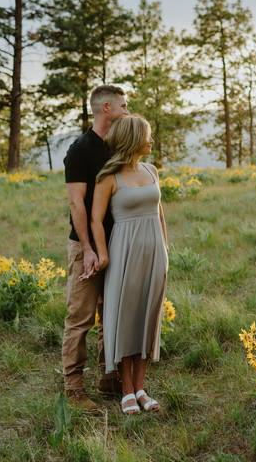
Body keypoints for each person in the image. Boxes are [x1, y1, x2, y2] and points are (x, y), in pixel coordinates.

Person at [90, 115, 169, 415]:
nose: (151, 140)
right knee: (126, 317)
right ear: (133, 139)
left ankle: (141, 387)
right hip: (124, 251)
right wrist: (102, 254)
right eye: (147, 135)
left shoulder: (152, 170)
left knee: (149, 317)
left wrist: (165, 249)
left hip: (154, 252)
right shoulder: (108, 177)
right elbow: (96, 219)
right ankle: (125, 390)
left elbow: (160, 214)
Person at [61, 84, 129, 410]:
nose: (127, 111)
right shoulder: (80, 150)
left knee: (111, 315)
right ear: (106, 108)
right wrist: (87, 249)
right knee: (81, 317)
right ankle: (73, 388)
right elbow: (77, 205)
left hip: (116, 243)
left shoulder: (117, 147)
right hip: (86, 246)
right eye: (123, 105)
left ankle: (109, 377)